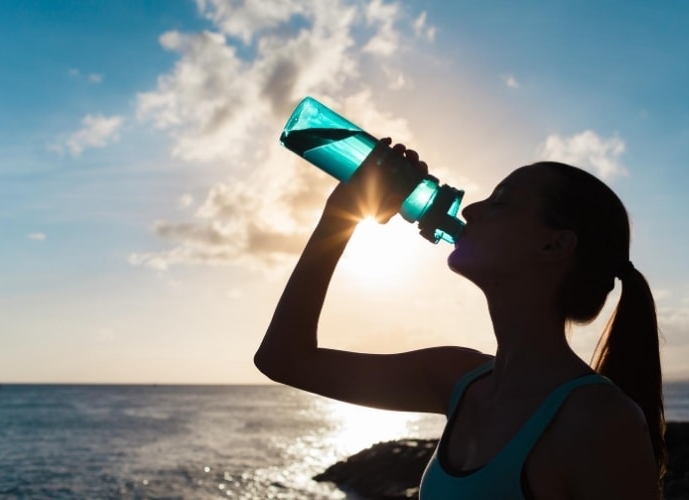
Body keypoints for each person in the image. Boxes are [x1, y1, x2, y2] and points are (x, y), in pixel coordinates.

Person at [255, 140, 666, 499]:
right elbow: (283, 359)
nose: (470, 208)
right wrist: (341, 214)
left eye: (501, 201)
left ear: (554, 244)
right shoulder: (458, 379)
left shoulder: (599, 420)